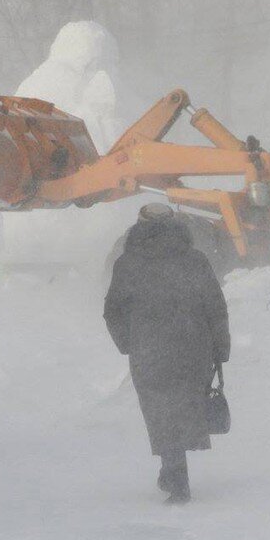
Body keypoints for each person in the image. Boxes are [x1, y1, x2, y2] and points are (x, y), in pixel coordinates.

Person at [103, 203, 231, 504]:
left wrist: (128, 343)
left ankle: (176, 478)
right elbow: (215, 307)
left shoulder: (127, 264)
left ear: (138, 226)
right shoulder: (195, 260)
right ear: (176, 226)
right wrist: (220, 348)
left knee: (160, 410)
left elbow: (113, 312)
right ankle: (172, 471)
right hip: (193, 348)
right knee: (183, 408)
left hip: (150, 350)